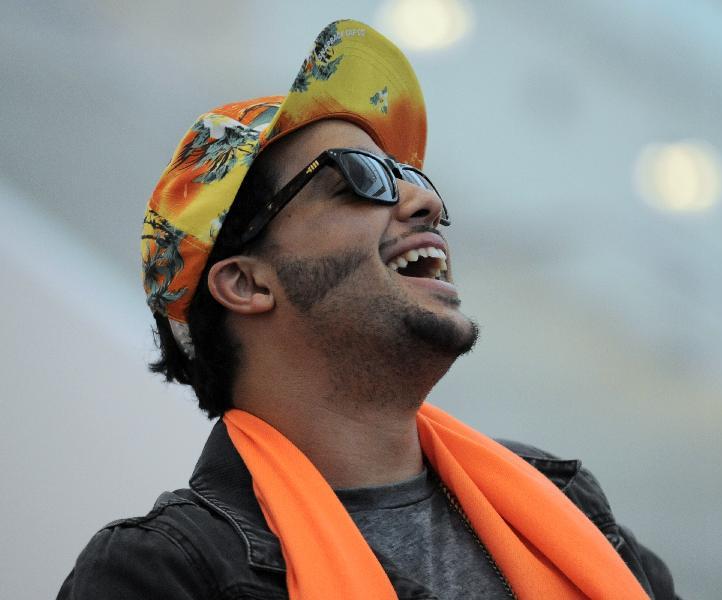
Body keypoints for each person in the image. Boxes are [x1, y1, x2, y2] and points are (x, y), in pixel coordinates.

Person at [58, 19, 678, 600]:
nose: (421, 201)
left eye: (412, 175)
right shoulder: (168, 571)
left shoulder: (562, 502)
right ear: (246, 283)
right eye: (360, 176)